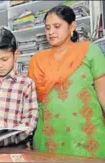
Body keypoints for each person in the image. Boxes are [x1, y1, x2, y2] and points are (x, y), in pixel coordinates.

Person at [27, 5, 105, 158]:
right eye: (47, 27)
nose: (51, 32)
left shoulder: (90, 50)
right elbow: (31, 104)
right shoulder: (37, 60)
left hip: (86, 136)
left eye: (57, 26)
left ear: (72, 27)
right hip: (48, 138)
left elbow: (103, 94)